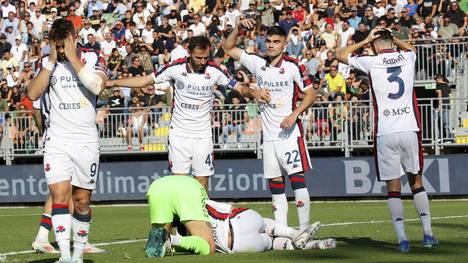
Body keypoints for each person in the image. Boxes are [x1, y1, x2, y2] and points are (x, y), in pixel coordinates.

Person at [107, 36, 269, 192]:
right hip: (179, 134)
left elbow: (239, 88)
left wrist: (254, 93)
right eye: (198, 57)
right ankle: (182, 220)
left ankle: (202, 218)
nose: (202, 62)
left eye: (205, 57)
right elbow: (144, 81)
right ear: (189, 52)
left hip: (203, 135)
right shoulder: (174, 68)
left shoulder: (215, 70)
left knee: (202, 182)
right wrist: (113, 82)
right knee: (180, 183)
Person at [336, 27, 438, 253]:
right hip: (409, 128)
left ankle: (402, 239)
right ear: (391, 42)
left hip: (386, 132)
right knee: (417, 183)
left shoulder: (371, 62)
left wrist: (365, 40)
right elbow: (410, 48)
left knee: (393, 188)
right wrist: (394, 39)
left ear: (374, 45)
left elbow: (339, 54)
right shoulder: (407, 57)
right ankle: (428, 234)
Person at [27, 18, 108, 263]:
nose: (61, 51)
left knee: (82, 200)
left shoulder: (93, 57)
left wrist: (73, 58)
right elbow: (32, 94)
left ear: (73, 38)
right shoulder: (46, 63)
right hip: (57, 140)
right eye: (57, 46)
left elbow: (97, 87)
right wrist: (51, 60)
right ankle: (65, 256)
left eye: (64, 45)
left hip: (86, 140)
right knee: (60, 195)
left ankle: (78, 254)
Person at [222, 21, 316, 231]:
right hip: (269, 137)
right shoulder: (257, 63)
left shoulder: (294, 65)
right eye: (269, 41)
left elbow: (311, 94)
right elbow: (227, 48)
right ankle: (283, 231)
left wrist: (295, 114)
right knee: (275, 185)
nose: (272, 45)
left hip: (290, 134)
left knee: (297, 180)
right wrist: (238, 29)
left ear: (284, 44)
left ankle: (304, 229)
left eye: (277, 42)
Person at [204, 199, 336, 253]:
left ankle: (315, 245)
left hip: (238, 246)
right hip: (240, 222)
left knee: (272, 243)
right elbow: (231, 209)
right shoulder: (199, 201)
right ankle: (295, 234)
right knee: (264, 223)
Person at [145, 175, 214, 257]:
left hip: (157, 187)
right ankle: (171, 240)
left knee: (158, 244)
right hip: (188, 188)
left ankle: (167, 241)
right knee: (209, 246)